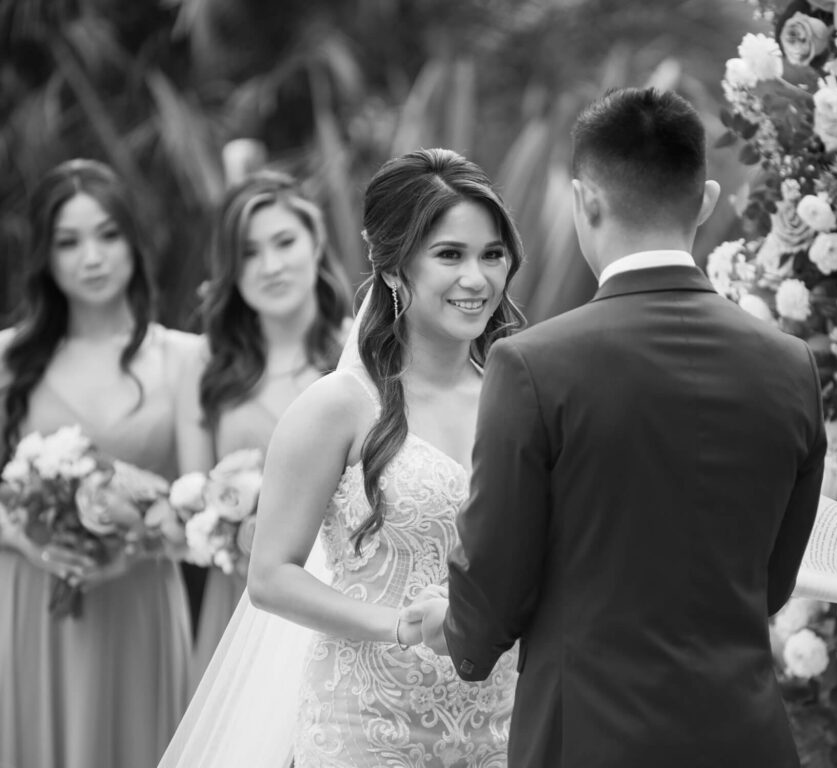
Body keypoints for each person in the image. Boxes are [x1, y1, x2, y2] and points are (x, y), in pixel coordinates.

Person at [404, 87, 827, 768]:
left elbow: (498, 570)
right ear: (707, 200)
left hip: (589, 739)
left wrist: (461, 632)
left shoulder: (532, 364)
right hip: (747, 739)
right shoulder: (790, 365)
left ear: (584, 200)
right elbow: (771, 583)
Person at [161, 147, 527, 768]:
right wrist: (402, 626)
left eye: (491, 254)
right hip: (368, 723)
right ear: (391, 269)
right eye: (449, 255)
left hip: (501, 723)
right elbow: (271, 576)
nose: (477, 279)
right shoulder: (336, 406)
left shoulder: (520, 395)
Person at [0, 158, 201, 768]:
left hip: (139, 600)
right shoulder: (8, 357)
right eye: (69, 241)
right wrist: (32, 543)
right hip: (31, 597)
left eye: (108, 235)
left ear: (135, 243)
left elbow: (195, 503)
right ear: (45, 256)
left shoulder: (184, 359)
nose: (92, 257)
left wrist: (128, 550)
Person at [175, 170, 348, 686]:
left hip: (341, 600)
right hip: (240, 603)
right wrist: (235, 527)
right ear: (230, 267)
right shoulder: (207, 362)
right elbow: (194, 495)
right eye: (248, 253)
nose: (270, 266)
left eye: (284, 242)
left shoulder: (361, 354)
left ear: (316, 241)